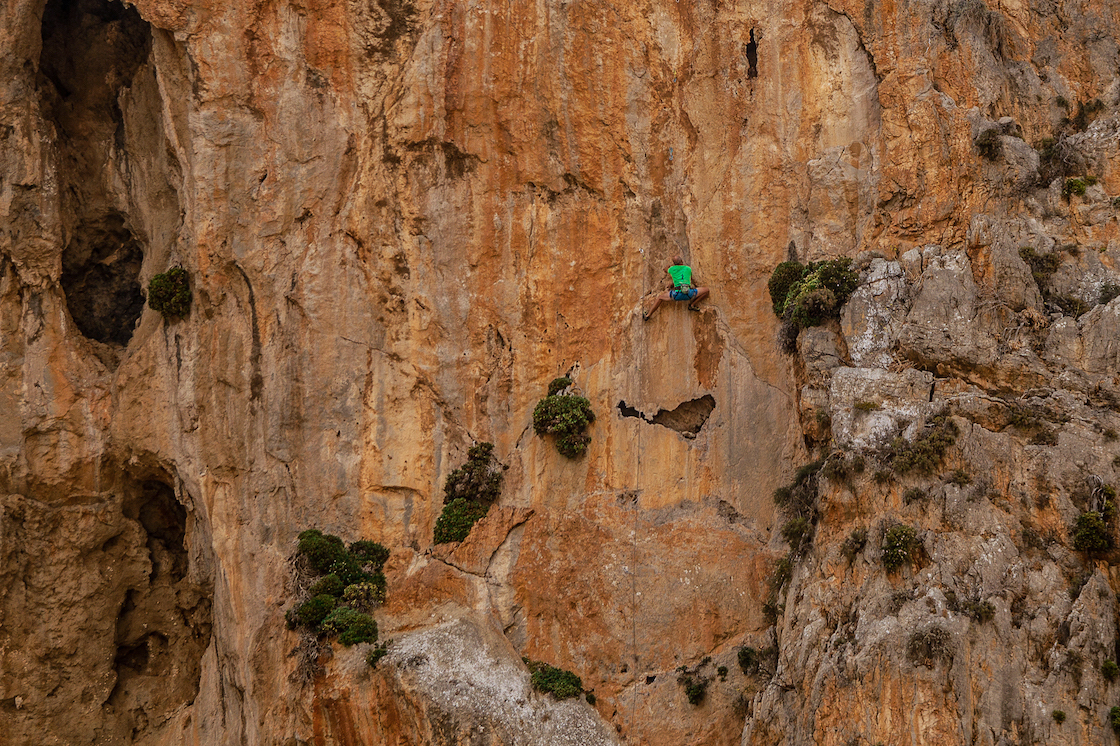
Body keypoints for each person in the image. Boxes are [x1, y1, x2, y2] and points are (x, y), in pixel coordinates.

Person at [643, 255, 709, 320]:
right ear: (682, 261)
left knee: (660, 298)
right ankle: (692, 305)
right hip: (688, 293)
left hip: (676, 294)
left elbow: (665, 269)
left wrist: (668, 267)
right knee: (706, 290)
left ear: (674, 263)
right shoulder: (688, 269)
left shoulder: (672, 269)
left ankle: (648, 315)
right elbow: (690, 279)